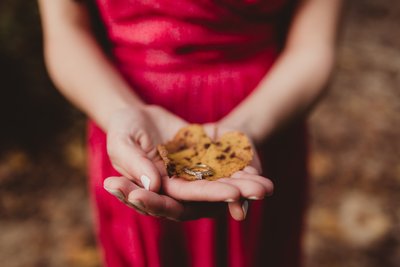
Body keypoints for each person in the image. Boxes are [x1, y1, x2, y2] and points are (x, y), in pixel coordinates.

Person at [37, 0, 342, 266]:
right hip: (132, 128)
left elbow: (313, 46)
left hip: (270, 111)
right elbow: (66, 32)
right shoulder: (132, 128)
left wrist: (248, 126)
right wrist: (120, 111)